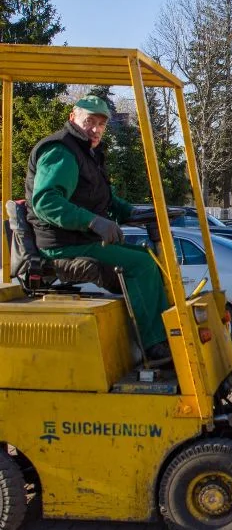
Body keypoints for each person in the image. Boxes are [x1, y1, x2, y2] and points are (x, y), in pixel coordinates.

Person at [25, 95, 171, 364]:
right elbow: (47, 201)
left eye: (101, 123)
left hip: (80, 238)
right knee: (140, 264)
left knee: (149, 259)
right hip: (61, 244)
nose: (95, 129)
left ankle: (163, 336)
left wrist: (136, 213)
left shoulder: (87, 155)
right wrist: (93, 222)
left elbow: (106, 200)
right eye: (89, 121)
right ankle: (153, 345)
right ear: (73, 118)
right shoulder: (61, 152)